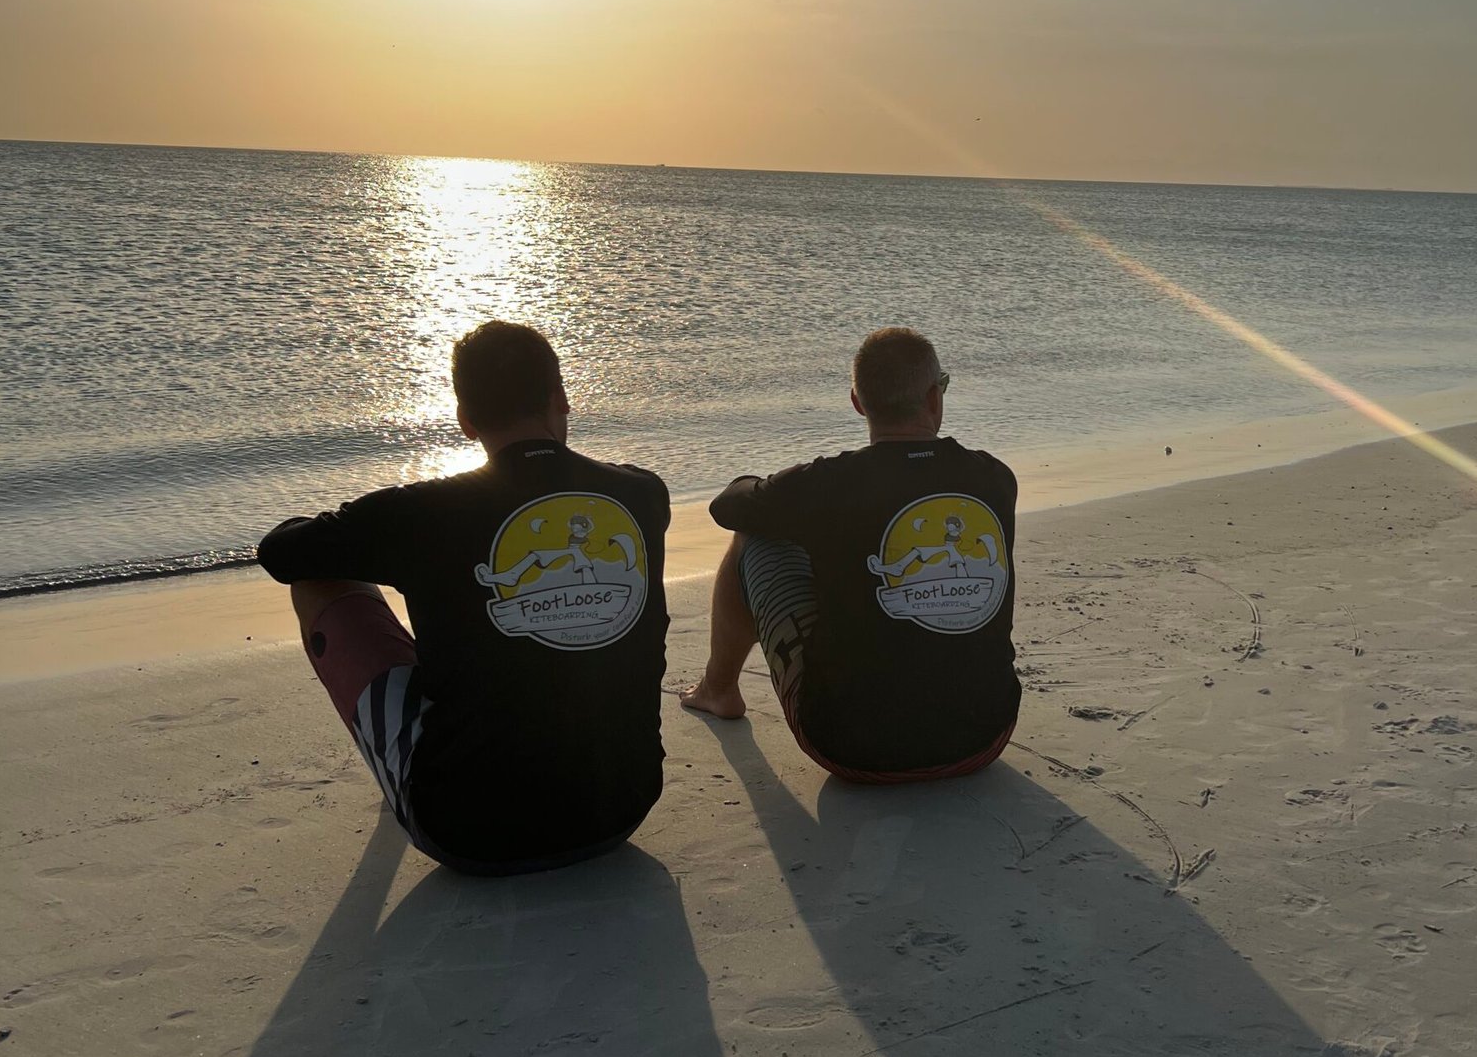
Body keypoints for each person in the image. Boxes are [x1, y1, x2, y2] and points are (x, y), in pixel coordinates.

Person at [257, 320, 670, 873]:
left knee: (318, 575)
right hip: (621, 807)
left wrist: (360, 532)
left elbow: (280, 552)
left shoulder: (420, 513)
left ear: (465, 421)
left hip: (467, 830)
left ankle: (399, 762)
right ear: (560, 399)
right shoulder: (642, 493)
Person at [681, 327, 1020, 782]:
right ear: (934, 399)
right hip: (986, 738)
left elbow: (726, 507)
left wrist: (760, 485)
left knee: (753, 535)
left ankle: (719, 688)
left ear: (858, 403)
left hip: (850, 750)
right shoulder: (995, 477)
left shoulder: (826, 484)